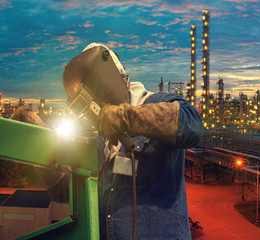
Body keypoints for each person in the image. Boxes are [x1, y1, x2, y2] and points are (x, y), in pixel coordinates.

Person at [62, 43, 203, 239]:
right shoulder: (101, 140)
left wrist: (126, 118)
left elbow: (193, 125)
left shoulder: (156, 103)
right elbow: (69, 196)